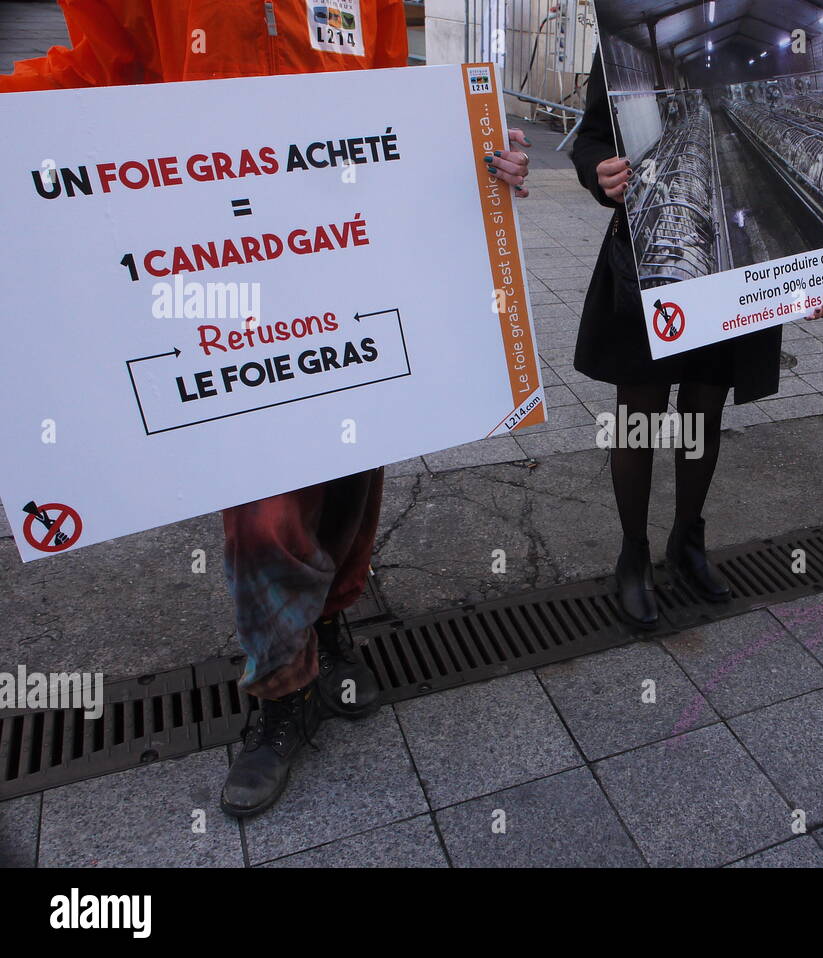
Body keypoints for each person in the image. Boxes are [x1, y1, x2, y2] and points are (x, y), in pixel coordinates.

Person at [1, 0, 532, 818]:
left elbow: (393, 96)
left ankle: (328, 622)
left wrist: (477, 146)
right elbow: (99, 69)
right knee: (259, 510)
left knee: (354, 472)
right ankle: (282, 691)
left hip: (345, 266)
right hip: (226, 282)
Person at [570, 54, 823, 628]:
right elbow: (590, 138)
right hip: (651, 251)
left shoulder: (764, 27)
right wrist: (600, 173)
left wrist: (814, 271)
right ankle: (632, 555)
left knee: (704, 406)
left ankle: (686, 539)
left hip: (736, 257)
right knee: (640, 409)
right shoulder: (630, 28)